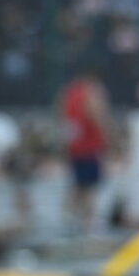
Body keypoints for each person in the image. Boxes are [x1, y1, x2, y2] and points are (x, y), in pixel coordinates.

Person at [58, 68, 114, 233]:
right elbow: (95, 114)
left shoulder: (69, 92)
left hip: (74, 145)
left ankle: (72, 216)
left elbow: (62, 117)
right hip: (89, 145)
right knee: (90, 185)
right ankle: (89, 220)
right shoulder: (92, 92)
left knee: (79, 184)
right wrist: (109, 135)